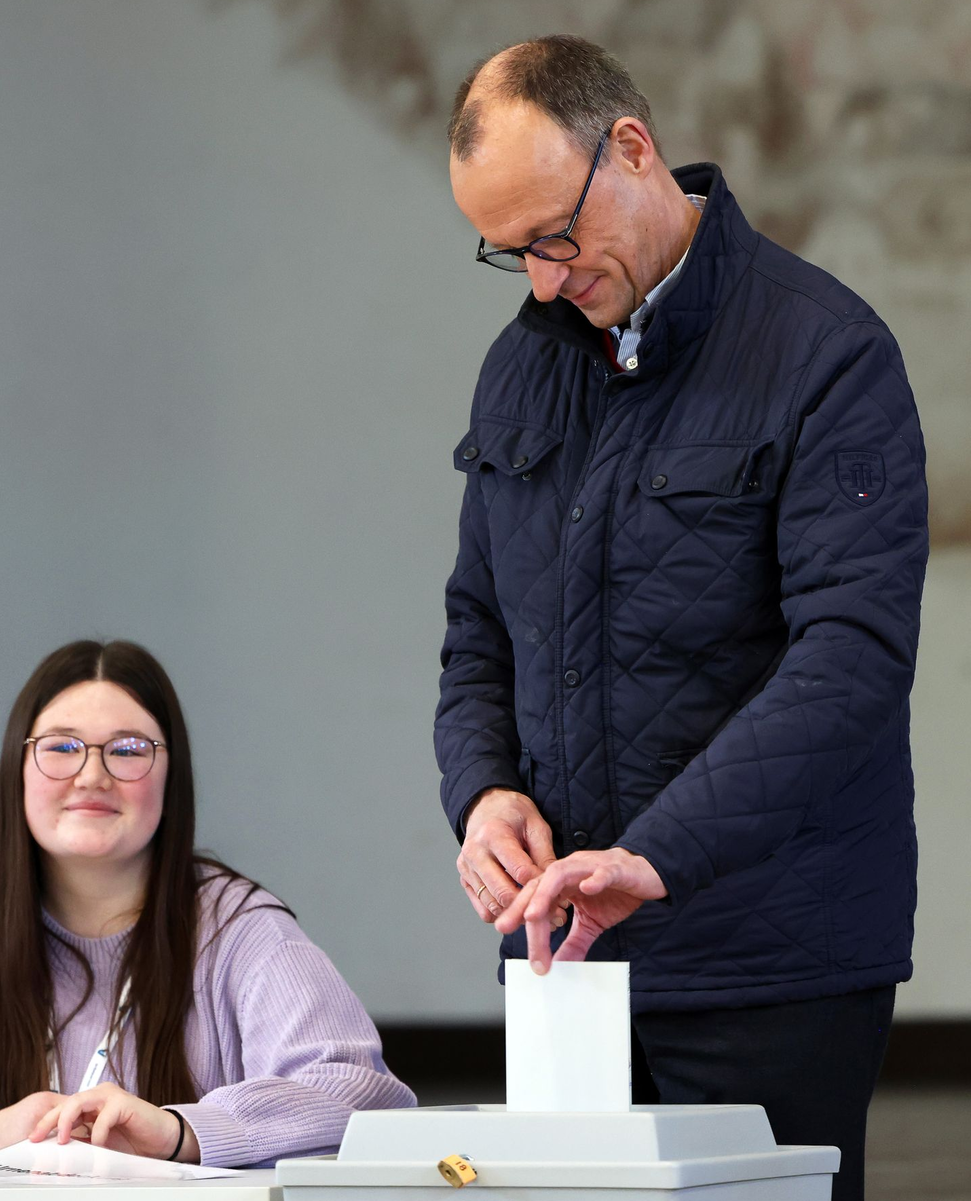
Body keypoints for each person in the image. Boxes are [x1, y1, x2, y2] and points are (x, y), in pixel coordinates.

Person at [434, 34, 926, 1201]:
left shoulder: (826, 354)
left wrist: (655, 858)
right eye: (512, 255)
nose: (547, 278)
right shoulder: (523, 368)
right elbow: (476, 633)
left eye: (556, 235)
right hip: (567, 975)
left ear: (635, 151)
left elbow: (850, 662)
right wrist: (481, 792)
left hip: (774, 961)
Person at [0, 639, 414, 1170]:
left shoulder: (241, 930)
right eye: (61, 747)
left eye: (128, 750)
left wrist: (179, 1133)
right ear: (18, 770)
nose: (91, 775)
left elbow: (365, 1097)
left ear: (173, 777)